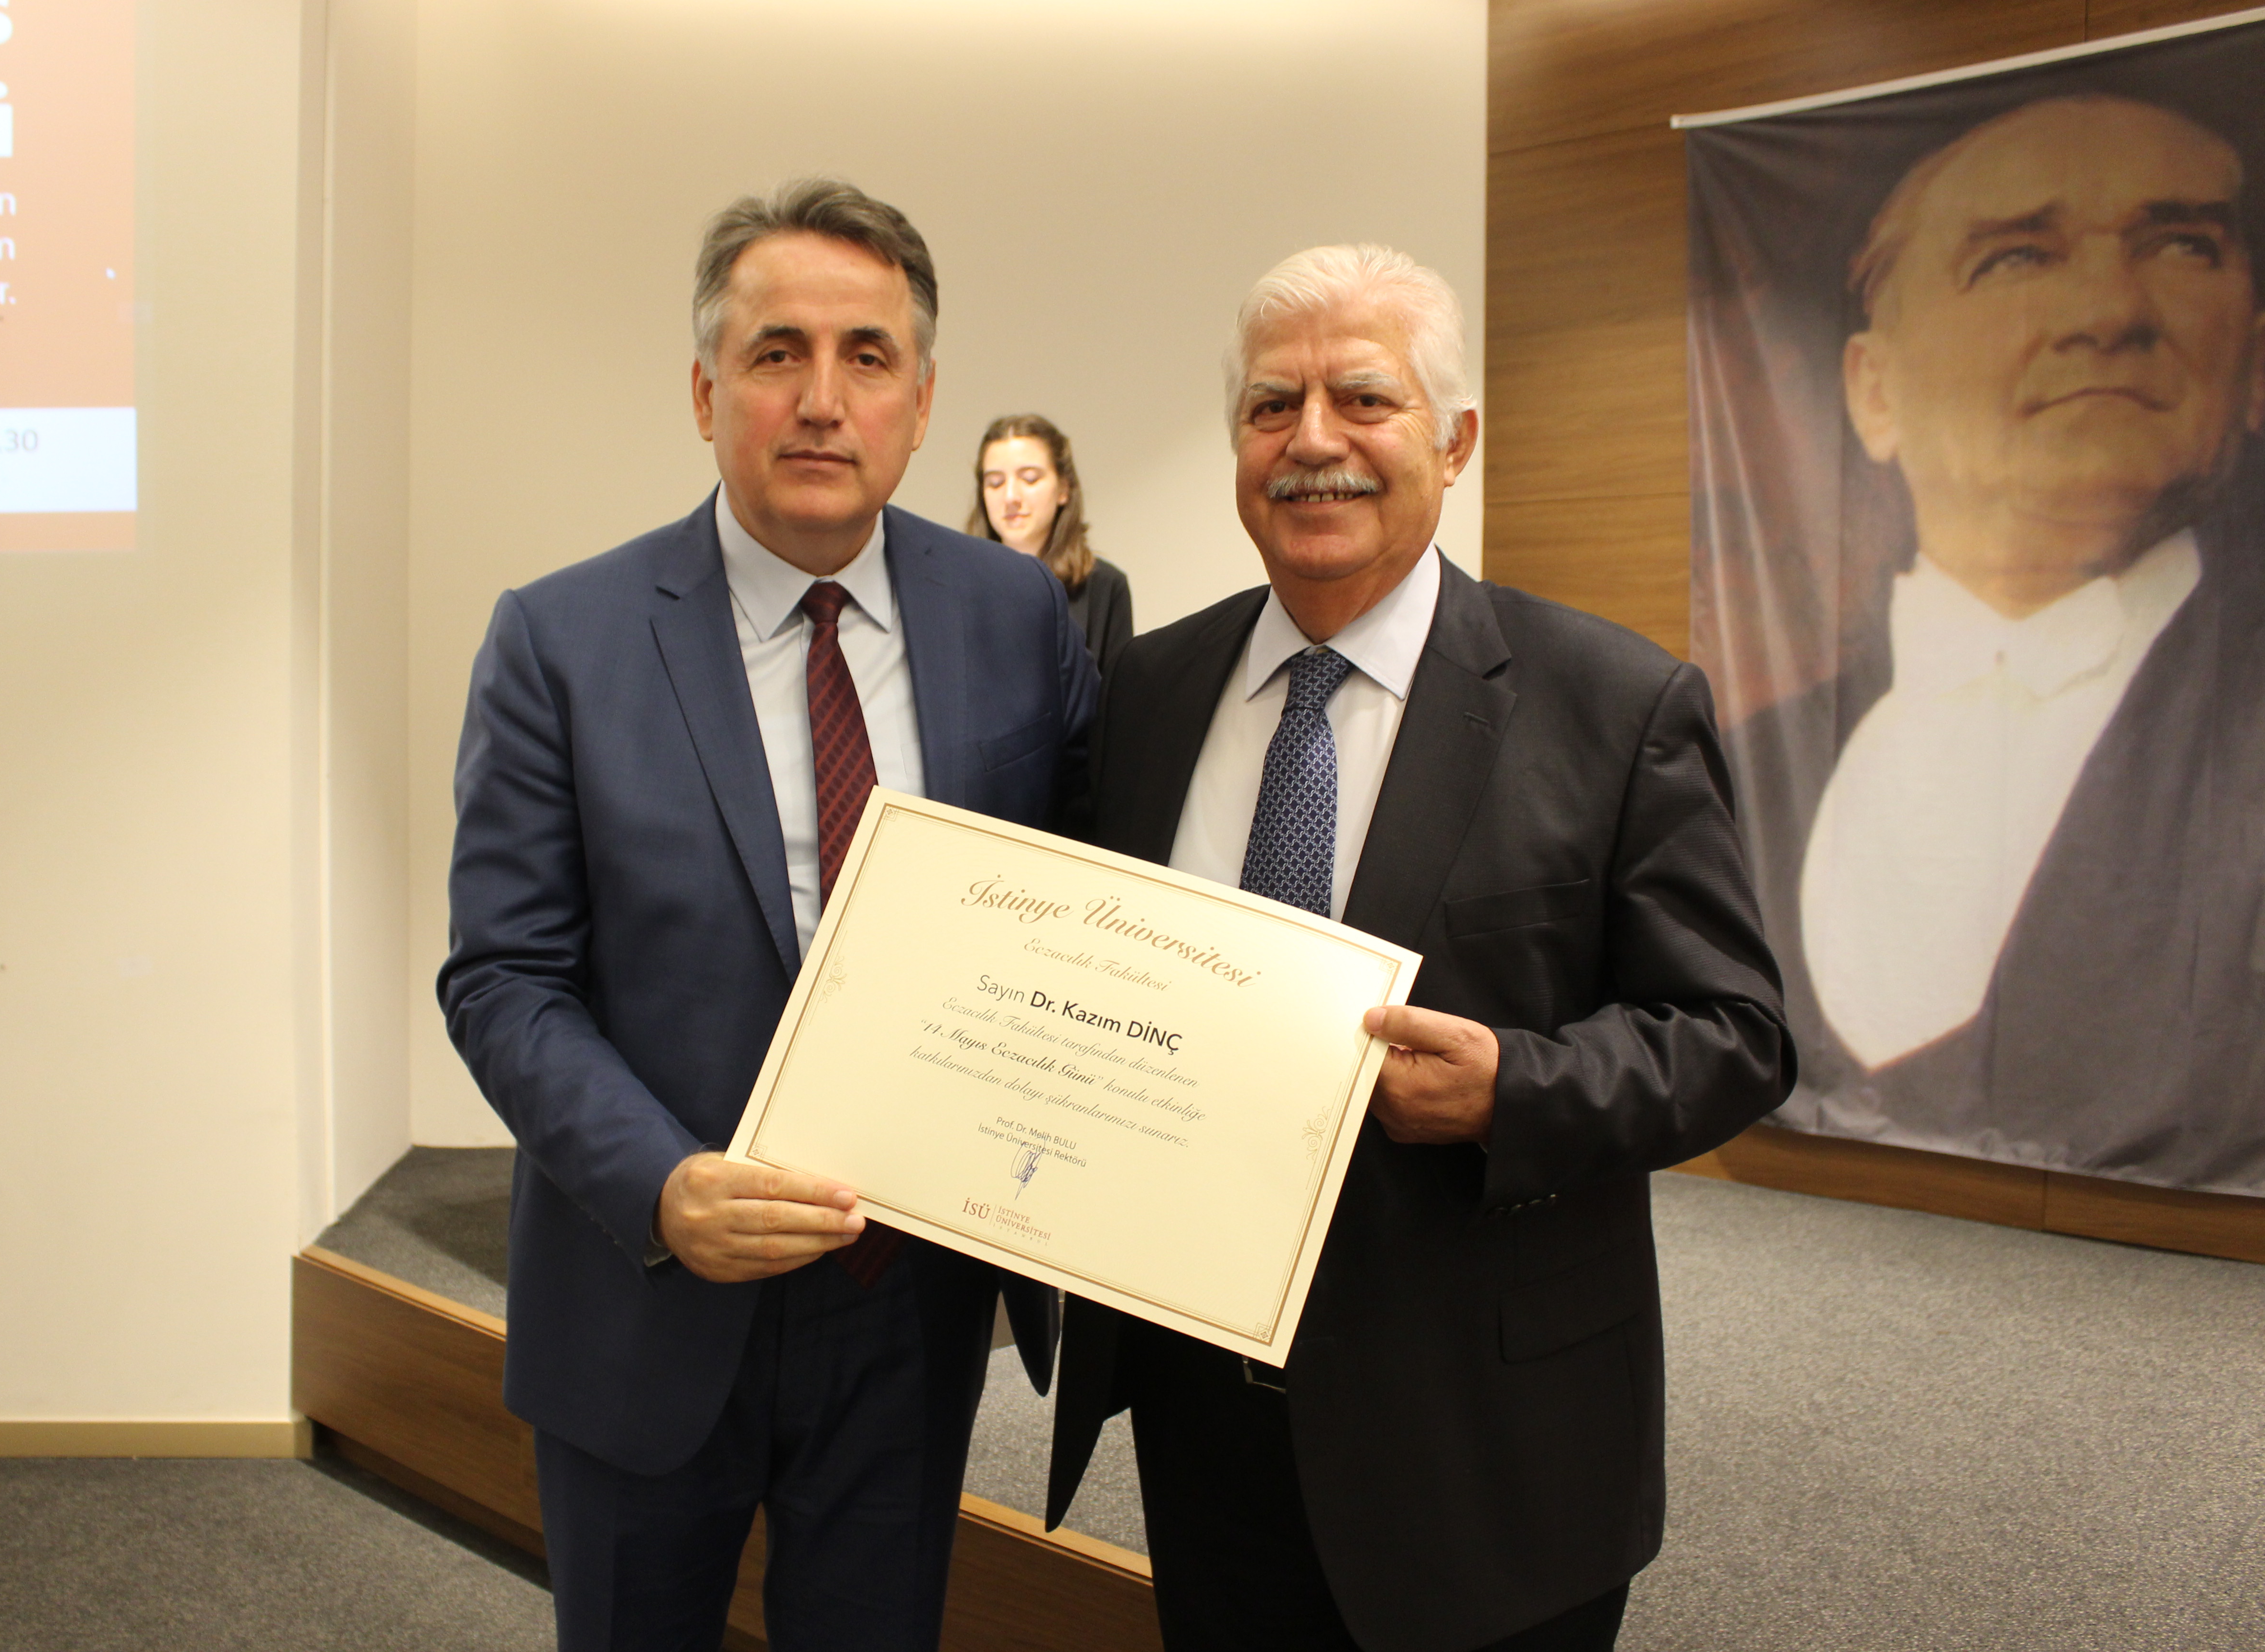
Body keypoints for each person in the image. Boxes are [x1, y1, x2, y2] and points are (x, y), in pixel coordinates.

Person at [1043, 243, 1793, 1652]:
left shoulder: (1614, 705)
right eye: (1272, 406)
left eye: (1364, 399)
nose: (1311, 439)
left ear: (1454, 441)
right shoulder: (1151, 687)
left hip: (1486, 1439)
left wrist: (1516, 1087)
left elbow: (1736, 1035)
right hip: (1205, 1424)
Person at [438, 178, 1097, 1651]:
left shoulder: (1013, 619)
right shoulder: (560, 640)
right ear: (703, 392)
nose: (820, 400)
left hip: (910, 1296)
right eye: (775, 353)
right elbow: (504, 981)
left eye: (867, 357)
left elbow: (1081, 909)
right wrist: (663, 1187)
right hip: (649, 1291)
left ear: (922, 404)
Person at [1737, 93, 2265, 1193]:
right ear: (1873, 391)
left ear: (2254, 361)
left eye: (2180, 245)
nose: (2107, 313)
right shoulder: (1739, 764)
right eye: (2017, 258)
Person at [966, 413, 1135, 673]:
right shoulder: (958, 585)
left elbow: (1118, 693)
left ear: (1063, 489)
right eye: (995, 483)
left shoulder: (1105, 587)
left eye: (1030, 479)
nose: (1011, 497)